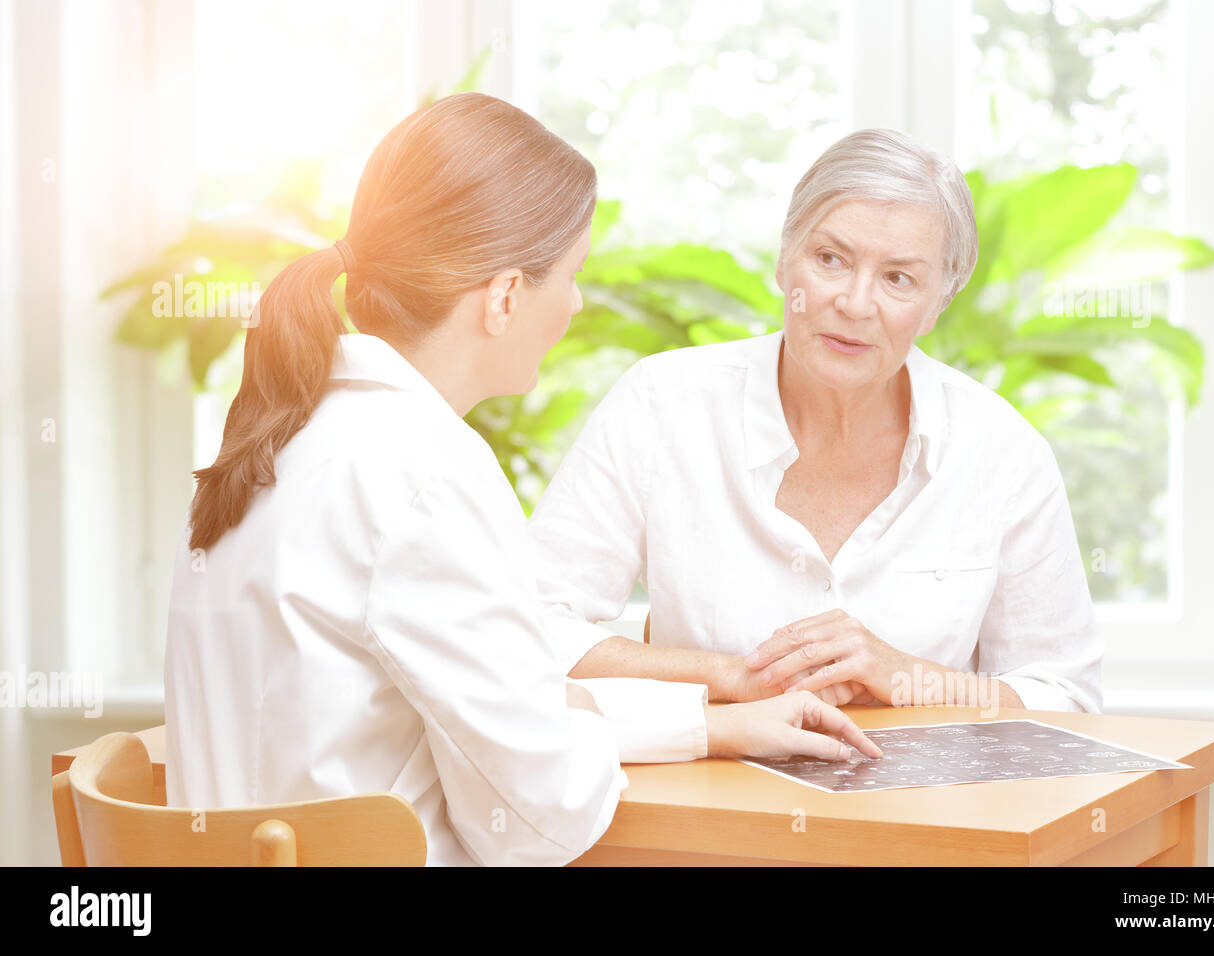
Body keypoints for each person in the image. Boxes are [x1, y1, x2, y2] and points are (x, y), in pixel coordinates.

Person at [164, 93, 879, 868]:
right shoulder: (423, 473)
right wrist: (584, 722)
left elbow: (504, 714)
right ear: (505, 296)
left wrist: (705, 726)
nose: (573, 305)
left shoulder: (278, 441)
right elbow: (543, 817)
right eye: (569, 277)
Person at [527, 128, 1103, 716]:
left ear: (939, 304)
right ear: (784, 261)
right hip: (710, 800)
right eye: (830, 259)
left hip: (925, 806)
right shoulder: (662, 405)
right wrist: (732, 677)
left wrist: (906, 678)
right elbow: (528, 628)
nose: (855, 303)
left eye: (898, 278)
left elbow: (1065, 695)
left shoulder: (1001, 451)